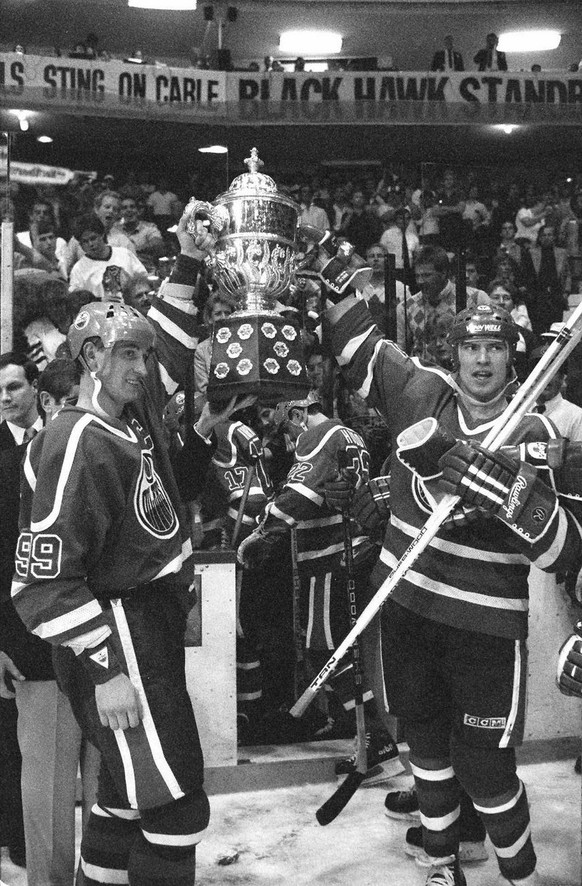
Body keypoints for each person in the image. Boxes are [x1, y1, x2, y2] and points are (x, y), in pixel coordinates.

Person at [325, 296, 582, 885]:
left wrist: (503, 492)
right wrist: (328, 269)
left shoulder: (537, 433)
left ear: (511, 356)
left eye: (494, 348)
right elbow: (357, 346)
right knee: (427, 753)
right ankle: (443, 867)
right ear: (456, 354)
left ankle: (520, 876)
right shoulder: (425, 395)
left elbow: (565, 551)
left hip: (484, 627)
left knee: (485, 768)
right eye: (471, 347)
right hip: (408, 608)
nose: (482, 360)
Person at [9, 294, 256, 886]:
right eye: (127, 355)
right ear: (91, 356)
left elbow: (164, 500)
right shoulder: (78, 439)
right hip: (119, 641)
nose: (141, 370)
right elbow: (42, 582)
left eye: (143, 356)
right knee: (176, 806)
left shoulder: (127, 424)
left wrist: (203, 429)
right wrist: (105, 669)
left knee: (122, 798)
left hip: (148, 632)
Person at [238, 394, 404, 782]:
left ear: (297, 414)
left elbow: (298, 494)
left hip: (331, 560)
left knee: (325, 654)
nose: (285, 440)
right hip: (350, 554)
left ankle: (377, 744)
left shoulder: (320, 436)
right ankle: (370, 743)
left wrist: (262, 532)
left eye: (283, 427)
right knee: (338, 652)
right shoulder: (350, 436)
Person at [1, 355, 101, 886]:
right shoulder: (9, 460)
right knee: (47, 787)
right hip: (34, 647)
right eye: (70, 406)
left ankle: (101, 877)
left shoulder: (113, 451)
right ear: (49, 403)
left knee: (110, 787)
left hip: (106, 644)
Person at [0, 353, 42, 870]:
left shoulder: (62, 441)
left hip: (67, 613)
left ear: (35, 388)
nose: (5, 396)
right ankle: (18, 837)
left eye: (13, 386)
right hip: (12, 624)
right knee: (12, 739)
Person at [69, 214, 148, 299]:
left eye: (93, 238)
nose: (90, 244)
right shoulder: (78, 269)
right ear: (80, 244)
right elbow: (77, 298)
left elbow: (143, 280)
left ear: (102, 235)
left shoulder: (124, 254)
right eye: (85, 241)